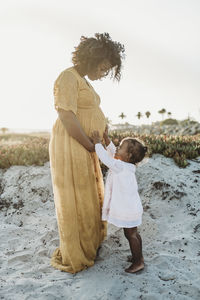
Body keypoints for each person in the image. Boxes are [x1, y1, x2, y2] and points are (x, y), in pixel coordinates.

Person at [49, 33, 125, 273]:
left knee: (87, 195)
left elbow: (90, 112)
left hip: (86, 144)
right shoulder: (67, 77)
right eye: (102, 68)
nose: (103, 74)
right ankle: (77, 251)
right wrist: (90, 145)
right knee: (76, 196)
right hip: (72, 142)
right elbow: (67, 116)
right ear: (91, 59)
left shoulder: (84, 81)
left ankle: (89, 244)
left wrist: (103, 136)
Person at [90, 128, 148, 273]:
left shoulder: (120, 166)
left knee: (131, 234)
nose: (117, 148)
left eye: (120, 147)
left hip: (128, 209)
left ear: (128, 155)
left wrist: (98, 143)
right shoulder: (125, 165)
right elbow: (112, 153)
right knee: (134, 234)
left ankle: (138, 262)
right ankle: (138, 257)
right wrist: (106, 139)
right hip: (132, 208)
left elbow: (106, 158)